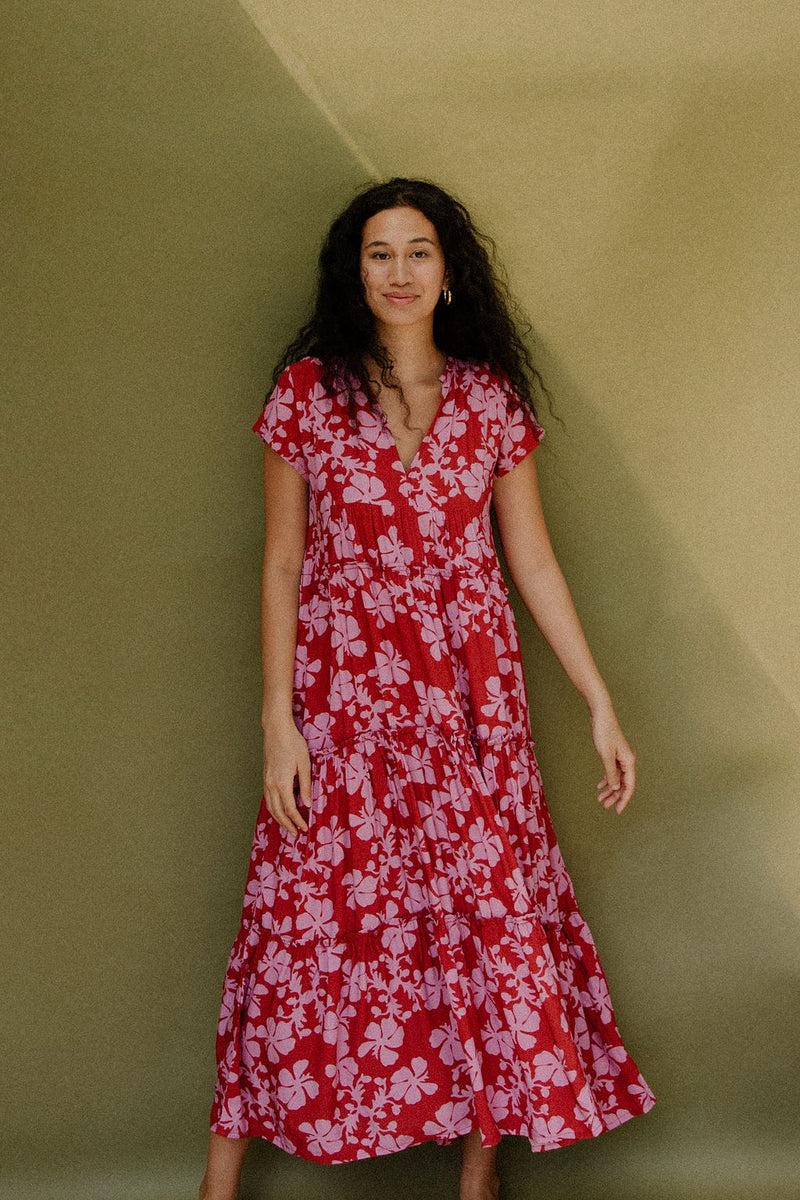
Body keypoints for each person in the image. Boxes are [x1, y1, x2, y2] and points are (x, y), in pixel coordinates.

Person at [199, 178, 656, 1200]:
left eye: (418, 252)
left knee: (484, 918)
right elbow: (280, 563)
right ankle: (216, 1186)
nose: (399, 272)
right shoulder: (309, 392)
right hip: (342, 698)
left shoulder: (490, 400)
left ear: (449, 273)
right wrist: (278, 723)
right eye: (378, 253)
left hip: (469, 708)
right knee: (302, 917)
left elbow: (529, 563)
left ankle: (476, 1178)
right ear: (350, 271)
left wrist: (597, 701)